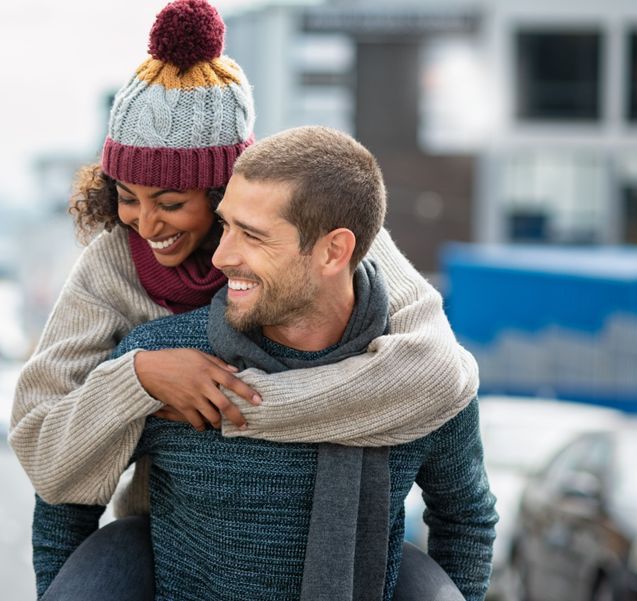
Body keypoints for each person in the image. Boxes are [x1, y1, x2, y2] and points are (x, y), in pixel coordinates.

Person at [10, 0, 478, 514]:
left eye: (170, 203)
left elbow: (436, 372)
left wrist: (229, 405)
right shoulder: (113, 262)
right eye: (125, 197)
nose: (144, 225)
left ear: (224, 191)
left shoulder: (320, 232)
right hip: (166, 522)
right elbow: (40, 443)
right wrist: (140, 378)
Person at [33, 125, 498, 601]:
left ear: (334, 251)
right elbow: (64, 496)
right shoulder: (167, 364)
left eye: (252, 236)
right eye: (225, 225)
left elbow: (465, 517)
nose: (221, 255)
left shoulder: (419, 382)